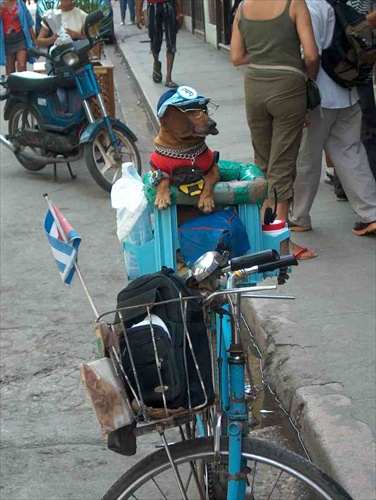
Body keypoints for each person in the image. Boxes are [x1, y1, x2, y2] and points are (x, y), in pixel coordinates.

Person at [230, 0, 319, 260]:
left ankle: (261, 234)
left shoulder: (244, 6)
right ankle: (280, 243)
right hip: (288, 87)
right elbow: (312, 55)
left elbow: (235, 57)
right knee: (282, 165)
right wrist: (306, 78)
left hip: (255, 86)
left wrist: (262, 57)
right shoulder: (294, 4)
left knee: (263, 164)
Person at [289, 0, 376, 237]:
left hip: (318, 96)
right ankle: (371, 213)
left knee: (306, 157)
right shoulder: (333, 3)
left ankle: (299, 216)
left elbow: (310, 54)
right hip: (346, 90)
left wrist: (305, 93)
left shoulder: (305, 7)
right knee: (351, 153)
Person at [135, 0, 183, 88]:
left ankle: (168, 78)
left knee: (171, 40)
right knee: (154, 39)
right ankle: (156, 63)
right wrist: (138, 14)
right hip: (153, 6)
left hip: (169, 5)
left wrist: (180, 13)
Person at [0, 0, 36, 75]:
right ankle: (11, 86)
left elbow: (29, 22)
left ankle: (23, 85)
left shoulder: (20, 4)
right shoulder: (1, 4)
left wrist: (35, 41)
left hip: (20, 38)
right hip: (6, 41)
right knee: (10, 71)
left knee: (22, 66)